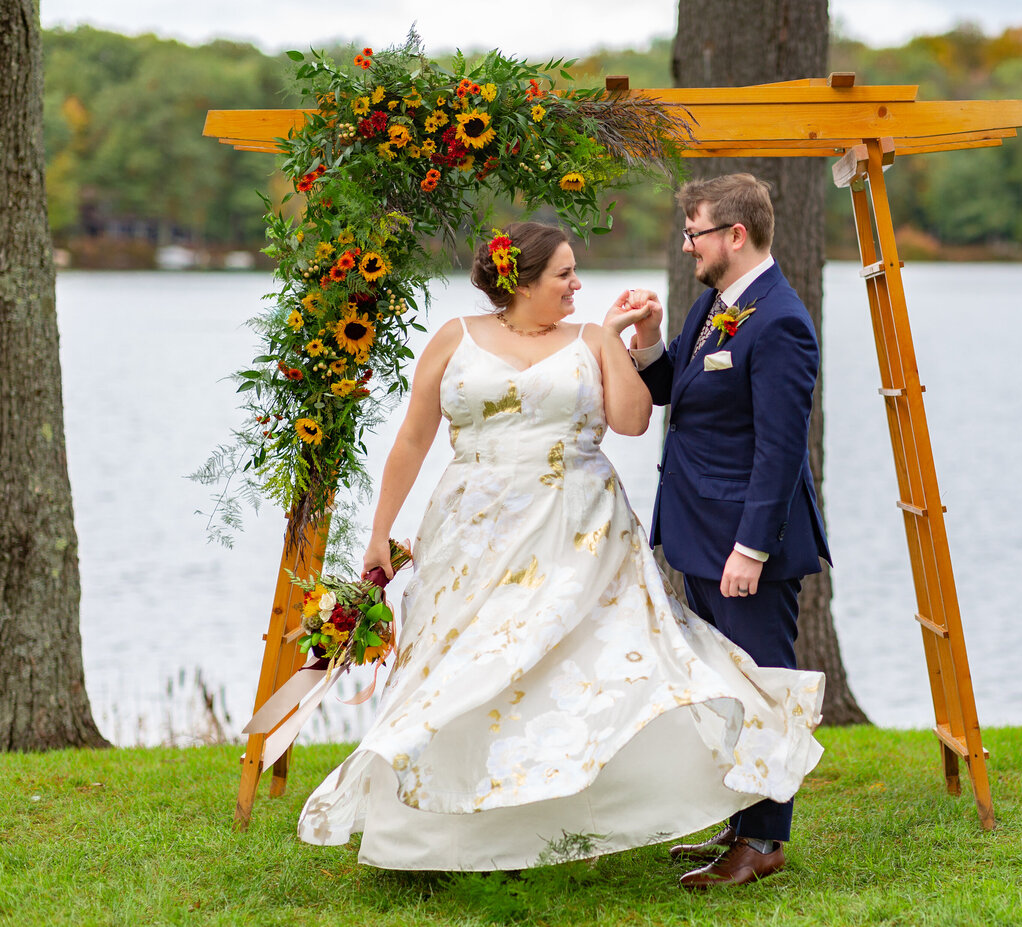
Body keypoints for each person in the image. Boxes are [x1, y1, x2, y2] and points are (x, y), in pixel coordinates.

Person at [297, 221, 824, 880]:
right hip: (471, 531)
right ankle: (434, 833)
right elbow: (411, 440)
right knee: (465, 666)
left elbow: (633, 421)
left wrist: (618, 342)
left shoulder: (590, 339)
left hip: (577, 527)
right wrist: (380, 531)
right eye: (564, 275)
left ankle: (567, 816)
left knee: (564, 670)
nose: (577, 285)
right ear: (520, 279)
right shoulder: (453, 338)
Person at [606, 174, 831, 888]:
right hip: (702, 534)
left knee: (764, 684)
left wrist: (751, 549)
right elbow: (676, 384)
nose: (686, 244)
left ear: (735, 235)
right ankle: (739, 822)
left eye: (694, 232)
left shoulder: (781, 321)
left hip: (745, 546)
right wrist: (645, 341)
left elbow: (780, 449)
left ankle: (764, 840)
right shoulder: (715, 304)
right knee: (728, 684)